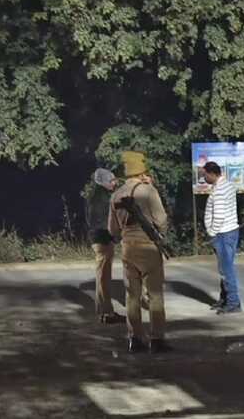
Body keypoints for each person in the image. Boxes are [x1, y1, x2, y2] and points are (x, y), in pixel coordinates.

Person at [108, 151, 171, 354]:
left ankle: (135, 338)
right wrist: (159, 235)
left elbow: (112, 230)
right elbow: (161, 220)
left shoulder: (116, 195)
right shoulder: (148, 190)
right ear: (142, 170)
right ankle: (157, 339)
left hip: (128, 248)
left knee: (132, 296)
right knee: (155, 295)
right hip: (148, 247)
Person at [203, 161, 241, 314]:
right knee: (225, 268)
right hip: (230, 231)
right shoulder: (228, 185)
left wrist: (212, 232)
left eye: (205, 175)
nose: (204, 178)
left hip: (223, 233)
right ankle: (225, 299)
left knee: (226, 269)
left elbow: (218, 215)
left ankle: (233, 302)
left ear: (212, 174)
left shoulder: (219, 190)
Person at [86, 168, 121, 324]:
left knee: (103, 277)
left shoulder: (96, 195)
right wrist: (114, 236)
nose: (114, 183)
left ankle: (105, 311)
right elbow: (102, 222)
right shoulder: (101, 198)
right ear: (104, 182)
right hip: (102, 240)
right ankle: (106, 313)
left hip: (100, 238)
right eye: (111, 180)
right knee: (103, 278)